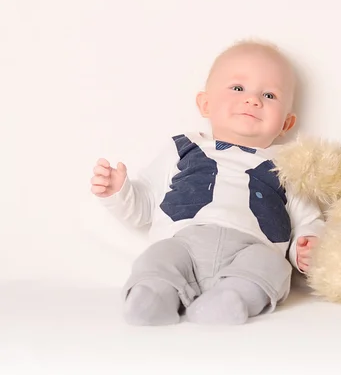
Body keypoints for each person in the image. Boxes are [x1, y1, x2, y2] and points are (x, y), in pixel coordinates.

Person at [90, 39, 324, 326]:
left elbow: (307, 218)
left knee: (274, 267)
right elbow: (145, 206)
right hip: (183, 243)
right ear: (205, 104)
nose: (253, 100)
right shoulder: (183, 148)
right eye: (238, 88)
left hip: (253, 250)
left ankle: (233, 298)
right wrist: (118, 191)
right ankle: (153, 295)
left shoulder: (290, 164)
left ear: (286, 123)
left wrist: (308, 244)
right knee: (159, 257)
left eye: (269, 95)